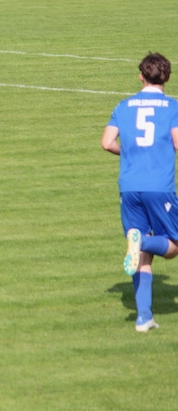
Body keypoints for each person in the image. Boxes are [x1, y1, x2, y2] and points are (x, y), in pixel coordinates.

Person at [101, 52, 178, 332]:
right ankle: (142, 241)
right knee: (173, 245)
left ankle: (144, 316)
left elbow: (107, 142)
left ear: (141, 76)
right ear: (167, 77)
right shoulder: (173, 107)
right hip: (159, 186)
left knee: (142, 254)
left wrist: (130, 153)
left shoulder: (123, 106)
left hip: (129, 186)